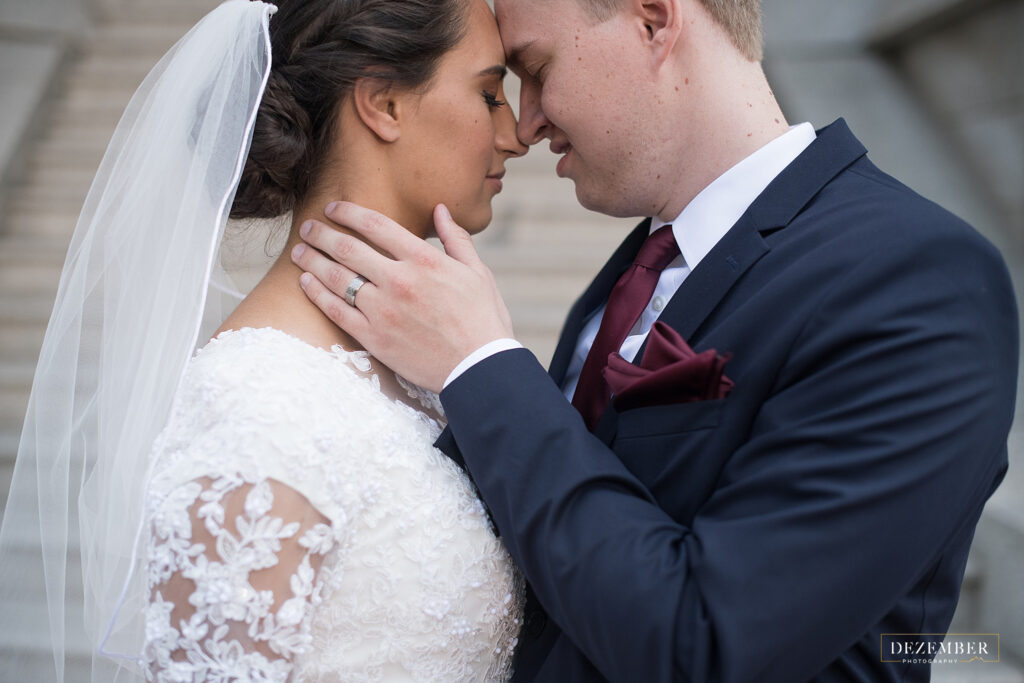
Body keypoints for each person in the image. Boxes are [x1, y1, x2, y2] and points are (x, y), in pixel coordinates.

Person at [288, 0, 1019, 681]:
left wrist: (480, 365)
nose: (527, 122)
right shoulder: (638, 269)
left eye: (537, 71)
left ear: (653, 19)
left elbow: (708, 644)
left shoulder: (917, 278)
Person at [0, 0, 529, 680]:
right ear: (384, 104)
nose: (515, 133)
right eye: (489, 94)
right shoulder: (256, 405)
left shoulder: (421, 366)